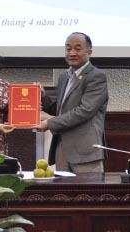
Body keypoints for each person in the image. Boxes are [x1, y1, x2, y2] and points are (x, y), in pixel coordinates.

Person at [34, 32, 109, 173]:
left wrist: (49, 123)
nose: (72, 53)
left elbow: (85, 111)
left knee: (89, 188)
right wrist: (41, 97)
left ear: (89, 52)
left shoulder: (96, 76)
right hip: (62, 150)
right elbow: (61, 109)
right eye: (68, 49)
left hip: (85, 152)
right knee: (64, 188)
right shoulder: (65, 77)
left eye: (78, 49)